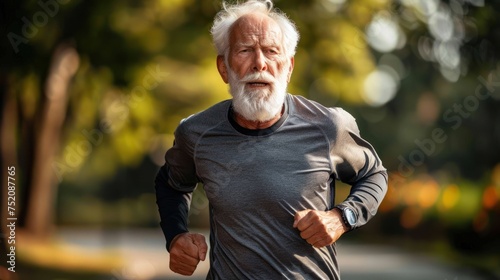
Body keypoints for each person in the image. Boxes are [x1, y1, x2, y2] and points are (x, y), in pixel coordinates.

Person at [154, 0, 388, 278]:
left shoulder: (328, 126)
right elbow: (171, 184)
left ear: (288, 67)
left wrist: (342, 217)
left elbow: (374, 174)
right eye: (244, 51)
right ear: (224, 67)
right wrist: (176, 235)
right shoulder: (196, 133)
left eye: (271, 51)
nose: (260, 63)